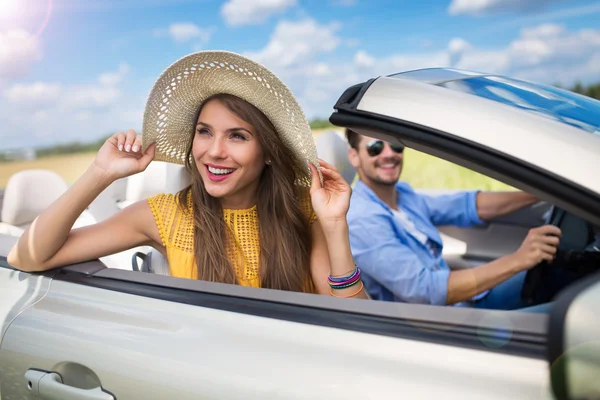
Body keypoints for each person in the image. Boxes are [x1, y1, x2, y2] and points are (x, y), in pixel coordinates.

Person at [8, 51, 368, 300]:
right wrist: (100, 173)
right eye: (204, 131)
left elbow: (355, 324)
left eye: (238, 136)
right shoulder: (164, 216)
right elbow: (27, 257)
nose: (214, 151)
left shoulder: (303, 211)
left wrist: (334, 224)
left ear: (270, 152)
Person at [344, 129, 562, 310]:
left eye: (396, 145)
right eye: (376, 147)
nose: (389, 154)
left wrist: (538, 192)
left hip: (463, 304)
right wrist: (517, 260)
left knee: (561, 270)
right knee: (571, 319)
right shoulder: (363, 219)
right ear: (354, 156)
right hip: (441, 325)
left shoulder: (403, 195)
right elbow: (425, 291)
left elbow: (466, 206)